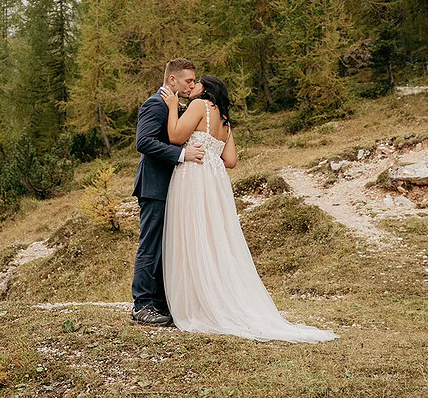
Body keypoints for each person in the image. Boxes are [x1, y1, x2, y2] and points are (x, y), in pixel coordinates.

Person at [159, 74, 338, 343]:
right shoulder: (225, 121)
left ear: (206, 89)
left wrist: (173, 107)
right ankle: (217, 297)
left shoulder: (199, 106)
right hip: (216, 181)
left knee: (194, 235)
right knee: (215, 237)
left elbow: (174, 136)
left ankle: (196, 303)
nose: (191, 88)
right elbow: (230, 160)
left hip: (194, 177)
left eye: (196, 84)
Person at [130, 58, 206, 327]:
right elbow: (144, 142)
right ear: (172, 80)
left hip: (171, 187)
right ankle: (141, 305)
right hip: (154, 186)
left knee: (166, 247)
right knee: (150, 246)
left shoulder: (176, 106)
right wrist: (182, 154)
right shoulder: (155, 104)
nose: (192, 85)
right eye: (188, 81)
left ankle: (161, 304)